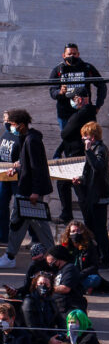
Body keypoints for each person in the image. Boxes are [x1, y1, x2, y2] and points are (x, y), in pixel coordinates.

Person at [0, 109, 55, 269]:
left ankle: (54, 254)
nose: (9, 127)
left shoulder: (32, 141)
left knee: (38, 224)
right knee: (18, 223)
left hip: (30, 192)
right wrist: (17, 169)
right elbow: (26, 163)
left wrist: (35, 192)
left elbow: (37, 168)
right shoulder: (26, 138)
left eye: (12, 124)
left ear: (21, 125)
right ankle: (10, 255)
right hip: (25, 190)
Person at [53, 86, 97, 225]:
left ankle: (89, 221)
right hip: (71, 152)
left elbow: (65, 133)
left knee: (79, 189)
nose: (71, 102)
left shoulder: (82, 114)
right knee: (62, 183)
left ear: (79, 99)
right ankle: (67, 214)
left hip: (76, 156)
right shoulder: (84, 112)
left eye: (73, 99)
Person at [71, 121, 109, 268]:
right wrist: (81, 179)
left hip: (99, 196)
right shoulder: (94, 149)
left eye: (85, 137)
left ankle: (104, 259)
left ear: (92, 137)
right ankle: (95, 256)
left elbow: (98, 167)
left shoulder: (99, 149)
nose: (83, 140)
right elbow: (89, 172)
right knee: (92, 228)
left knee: (100, 230)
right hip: (92, 195)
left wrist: (88, 151)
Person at [61, 221, 109, 294]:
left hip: (83, 275)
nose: (75, 233)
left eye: (78, 231)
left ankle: (73, 288)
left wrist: (80, 274)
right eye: (73, 231)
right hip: (69, 275)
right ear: (69, 234)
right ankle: (78, 288)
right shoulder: (65, 246)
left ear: (83, 232)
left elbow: (94, 266)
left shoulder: (89, 246)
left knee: (95, 279)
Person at [23, 272, 66, 344]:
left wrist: (64, 333)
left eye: (46, 284)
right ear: (35, 285)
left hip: (51, 336)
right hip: (35, 341)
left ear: (50, 286)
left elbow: (60, 320)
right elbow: (32, 327)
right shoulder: (29, 301)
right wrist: (48, 340)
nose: (43, 286)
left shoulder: (50, 301)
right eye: (40, 284)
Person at [47, 245, 87, 314]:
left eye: (51, 263)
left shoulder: (69, 269)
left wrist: (48, 288)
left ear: (58, 260)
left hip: (69, 304)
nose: (50, 265)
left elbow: (65, 288)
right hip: (59, 303)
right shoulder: (58, 270)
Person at [0, 111, 21, 244]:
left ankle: (33, 237)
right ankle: (3, 236)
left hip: (17, 177)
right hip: (4, 176)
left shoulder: (20, 136)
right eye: (4, 119)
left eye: (7, 120)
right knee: (2, 205)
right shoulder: (5, 134)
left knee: (21, 207)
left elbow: (24, 156)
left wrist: (17, 166)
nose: (5, 122)